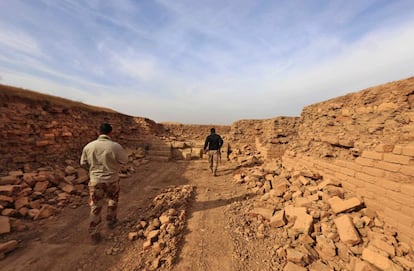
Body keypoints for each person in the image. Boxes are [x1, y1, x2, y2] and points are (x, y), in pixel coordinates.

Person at [80, 123, 128, 244]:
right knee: (112, 200)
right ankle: (111, 221)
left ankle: (94, 234)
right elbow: (124, 160)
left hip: (96, 181)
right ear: (110, 133)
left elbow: (83, 163)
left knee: (95, 206)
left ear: (98, 132)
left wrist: (93, 171)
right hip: (112, 179)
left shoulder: (89, 146)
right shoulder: (115, 146)